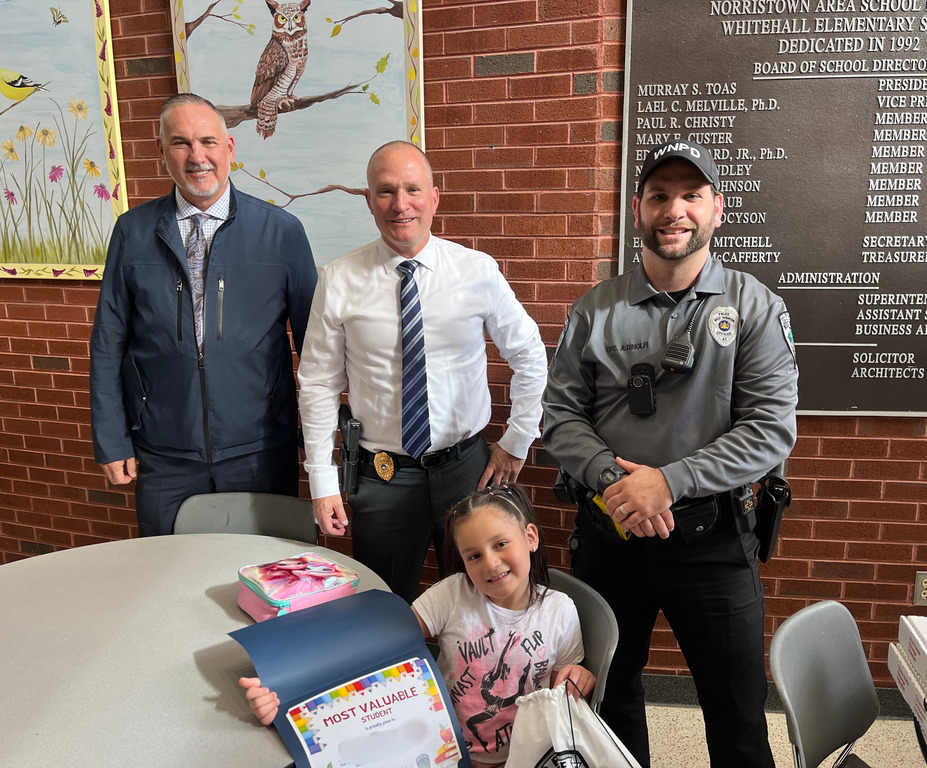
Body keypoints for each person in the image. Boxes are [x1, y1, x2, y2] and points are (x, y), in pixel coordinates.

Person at [542, 139, 798, 768]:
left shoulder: (754, 307)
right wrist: (615, 483)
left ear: (717, 209)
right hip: (611, 540)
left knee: (737, 718)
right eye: (659, 196)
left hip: (714, 546)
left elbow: (769, 429)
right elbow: (561, 416)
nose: (673, 210)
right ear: (638, 210)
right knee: (608, 704)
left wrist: (670, 482)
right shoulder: (595, 310)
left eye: (691, 195)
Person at [296, 140, 547, 603]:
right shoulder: (338, 279)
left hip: (468, 470)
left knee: (484, 603)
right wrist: (322, 481)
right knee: (383, 604)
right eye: (386, 191)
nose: (400, 204)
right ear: (369, 201)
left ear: (434, 197)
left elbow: (530, 355)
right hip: (383, 477)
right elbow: (317, 385)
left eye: (413, 189)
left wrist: (516, 442)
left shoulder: (476, 271)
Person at [89, 93, 318, 536]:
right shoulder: (132, 232)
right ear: (162, 152)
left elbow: (315, 349)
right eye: (181, 143)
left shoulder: (281, 232)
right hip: (163, 452)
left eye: (208, 142)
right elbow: (107, 343)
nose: (197, 157)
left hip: (260, 448)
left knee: (266, 578)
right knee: (168, 580)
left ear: (230, 147)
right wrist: (111, 439)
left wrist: (316, 440)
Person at [241, 483, 596, 768]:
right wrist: (285, 683)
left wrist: (580, 679)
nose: (490, 564)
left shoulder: (560, 611)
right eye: (473, 555)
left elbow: (567, 681)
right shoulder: (453, 595)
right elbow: (372, 645)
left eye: (501, 544)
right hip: (442, 749)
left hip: (527, 756)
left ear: (530, 538)